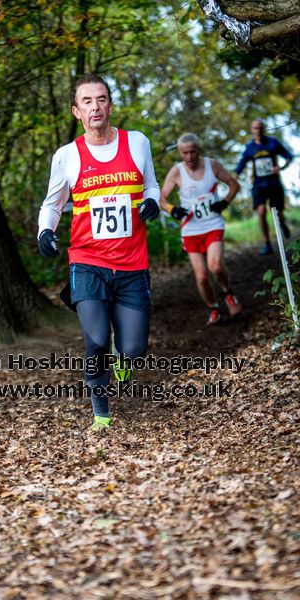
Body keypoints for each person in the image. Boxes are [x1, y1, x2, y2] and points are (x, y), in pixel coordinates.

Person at [37, 74, 160, 430]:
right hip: (87, 262)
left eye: (102, 99)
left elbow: (151, 185)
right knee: (95, 340)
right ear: (77, 111)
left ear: (110, 105)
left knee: (134, 349)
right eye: (87, 101)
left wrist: (152, 202)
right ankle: (101, 412)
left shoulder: (137, 143)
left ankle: (124, 360)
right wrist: (45, 231)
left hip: (133, 263)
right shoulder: (66, 156)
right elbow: (52, 204)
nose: (96, 106)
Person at [160, 132, 242, 326]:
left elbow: (234, 185)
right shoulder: (176, 171)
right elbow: (162, 199)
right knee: (202, 276)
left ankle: (228, 293)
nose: (189, 157)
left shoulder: (212, 165)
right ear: (180, 152)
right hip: (190, 228)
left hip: (213, 223)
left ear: (199, 150)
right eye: (184, 153)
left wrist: (224, 202)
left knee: (215, 266)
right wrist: (173, 210)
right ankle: (214, 308)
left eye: (193, 152)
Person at [235, 119, 293, 255]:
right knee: (261, 212)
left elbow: (289, 156)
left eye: (260, 128)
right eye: (255, 128)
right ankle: (267, 244)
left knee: (278, 213)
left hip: (273, 183)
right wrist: (235, 176)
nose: (258, 131)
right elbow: (242, 163)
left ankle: (282, 223)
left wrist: (281, 167)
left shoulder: (273, 142)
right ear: (252, 130)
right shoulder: (249, 147)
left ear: (264, 129)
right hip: (258, 185)